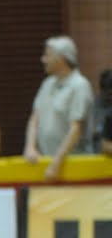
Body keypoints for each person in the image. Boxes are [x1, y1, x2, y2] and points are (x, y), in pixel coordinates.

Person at [26, 35, 92, 182]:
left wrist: (57, 162)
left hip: (72, 165)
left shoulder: (80, 85)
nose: (43, 60)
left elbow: (76, 128)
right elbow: (35, 118)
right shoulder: (47, 84)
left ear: (61, 58)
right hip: (44, 161)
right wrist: (30, 147)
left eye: (47, 55)